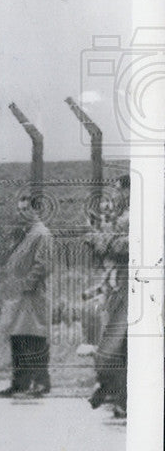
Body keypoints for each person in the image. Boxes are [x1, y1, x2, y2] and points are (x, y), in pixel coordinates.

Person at [0, 194, 53, 397]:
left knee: (34, 337)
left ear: (36, 210)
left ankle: (40, 382)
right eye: (19, 210)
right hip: (20, 294)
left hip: (33, 294)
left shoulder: (41, 234)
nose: (21, 214)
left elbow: (43, 264)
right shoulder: (26, 233)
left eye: (25, 209)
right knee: (19, 338)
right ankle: (20, 383)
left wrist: (27, 284)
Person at [87, 175, 129, 416]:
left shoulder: (132, 217)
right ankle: (114, 393)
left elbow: (122, 246)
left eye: (118, 191)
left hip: (128, 289)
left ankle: (113, 391)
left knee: (116, 345)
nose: (115, 196)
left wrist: (100, 239)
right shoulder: (122, 218)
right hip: (119, 288)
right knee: (116, 346)